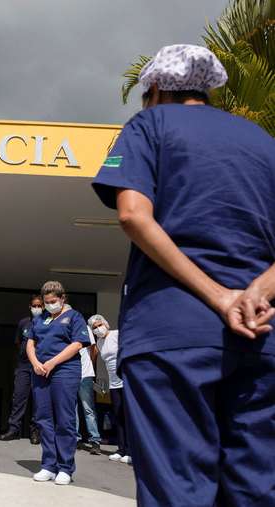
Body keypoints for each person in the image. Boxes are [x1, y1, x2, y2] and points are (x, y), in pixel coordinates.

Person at [92, 44, 275, 506]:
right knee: (256, 487)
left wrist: (219, 297)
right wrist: (255, 291)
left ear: (155, 88)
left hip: (172, 333)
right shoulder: (264, 143)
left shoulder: (149, 126)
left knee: (178, 486)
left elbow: (134, 215)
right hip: (262, 332)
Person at [27, 281, 91, 486]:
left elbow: (77, 344)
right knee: (44, 418)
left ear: (63, 299)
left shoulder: (74, 317)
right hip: (40, 372)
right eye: (46, 302)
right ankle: (48, 465)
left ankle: (65, 467)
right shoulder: (41, 318)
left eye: (53, 301)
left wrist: (53, 362)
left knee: (64, 419)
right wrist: (36, 363)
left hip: (64, 371)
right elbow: (30, 342)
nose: (49, 305)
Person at [87, 315, 130, 464]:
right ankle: (121, 449)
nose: (98, 329)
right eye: (94, 327)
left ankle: (131, 451)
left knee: (128, 416)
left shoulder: (117, 334)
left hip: (126, 381)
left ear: (106, 323)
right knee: (118, 416)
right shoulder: (99, 342)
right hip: (113, 384)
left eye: (99, 325)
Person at [1, 295, 43, 443]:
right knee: (18, 397)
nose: (36, 308)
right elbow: (18, 342)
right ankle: (14, 429)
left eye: (39, 306)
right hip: (23, 366)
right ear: (30, 306)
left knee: (38, 400)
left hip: (40, 366)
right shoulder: (23, 323)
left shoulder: (48, 322)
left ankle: (35, 432)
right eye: (34, 306)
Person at [75, 326, 101, 455]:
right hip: (71, 375)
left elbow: (94, 349)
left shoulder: (84, 328)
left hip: (85, 374)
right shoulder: (62, 328)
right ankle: (76, 439)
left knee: (88, 408)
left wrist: (89, 365)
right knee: (72, 409)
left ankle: (95, 440)